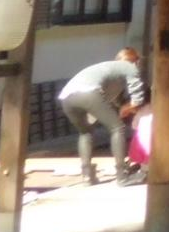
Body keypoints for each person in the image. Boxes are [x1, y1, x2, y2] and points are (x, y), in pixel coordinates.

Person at [58, 47, 147, 185]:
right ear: (135, 61)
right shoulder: (129, 67)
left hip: (66, 98)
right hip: (89, 93)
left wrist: (124, 107)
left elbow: (112, 100)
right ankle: (122, 176)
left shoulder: (109, 69)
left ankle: (87, 177)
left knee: (85, 132)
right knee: (118, 128)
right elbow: (137, 96)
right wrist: (133, 106)